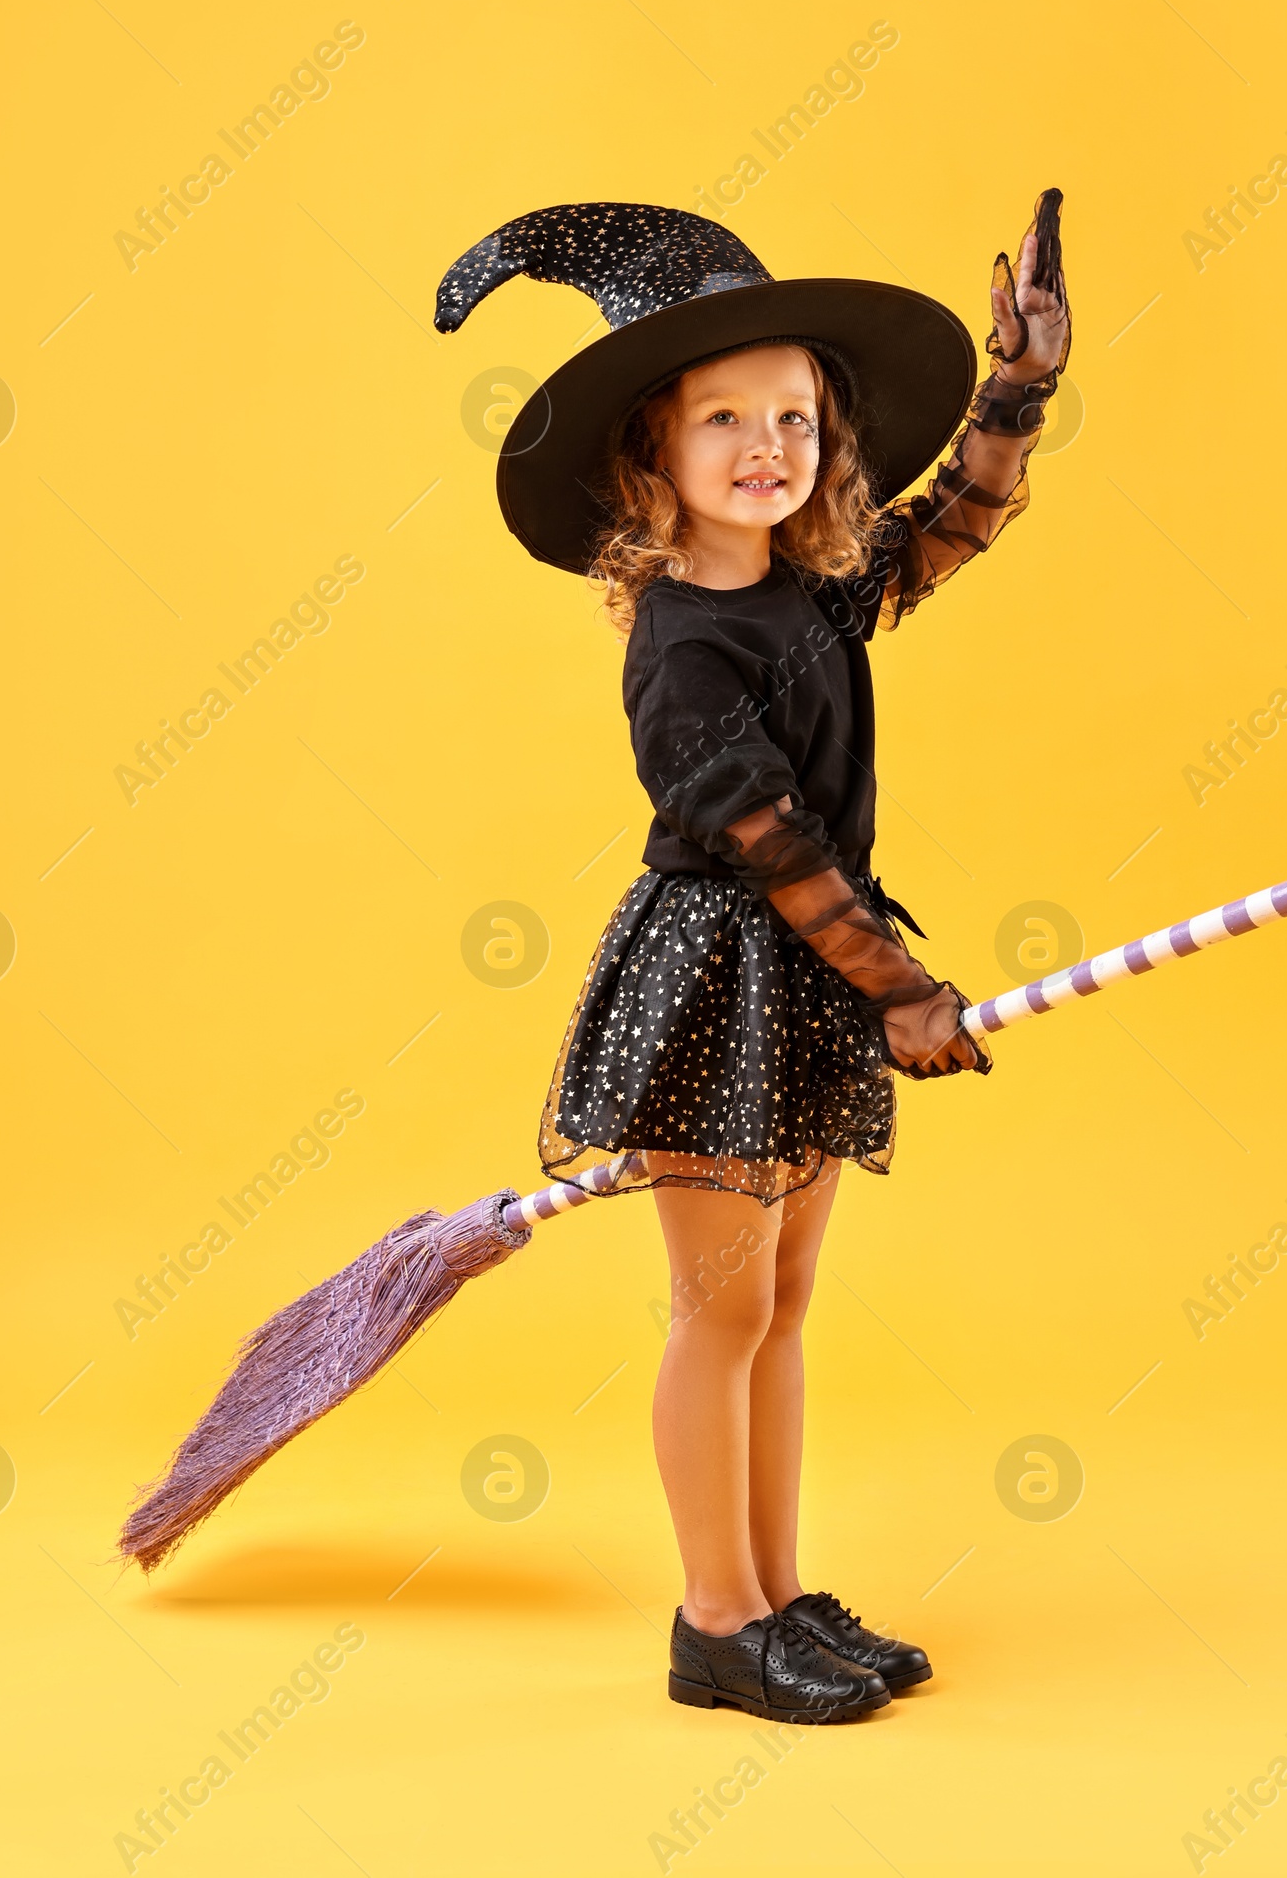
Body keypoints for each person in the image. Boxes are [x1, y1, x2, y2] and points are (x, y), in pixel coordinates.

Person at [433, 191, 1072, 1722]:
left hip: (808, 979)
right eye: (723, 418)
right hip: (717, 982)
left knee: (782, 1305)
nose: (766, 446)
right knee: (717, 1312)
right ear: (651, 455)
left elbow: (949, 532)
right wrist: (904, 991)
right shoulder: (681, 640)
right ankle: (716, 1618)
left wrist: (1016, 394)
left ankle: (779, 1596)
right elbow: (768, 834)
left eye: (792, 414)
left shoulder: (806, 587)